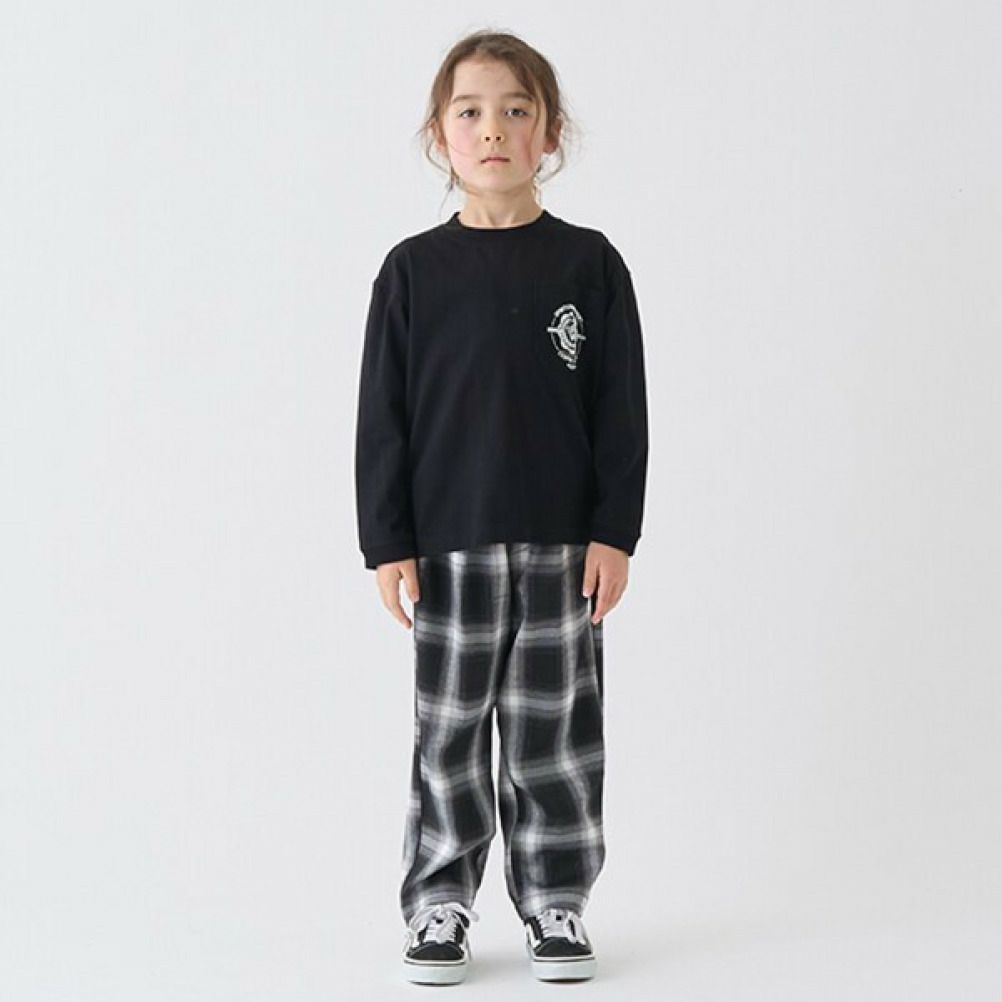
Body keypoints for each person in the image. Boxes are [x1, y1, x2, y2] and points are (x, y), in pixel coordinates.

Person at [353, 29, 649, 986]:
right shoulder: (412, 272)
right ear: (440, 135)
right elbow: (383, 417)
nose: (493, 130)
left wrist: (614, 532)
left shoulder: (589, 266)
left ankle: (556, 902)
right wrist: (388, 542)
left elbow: (622, 411)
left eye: (517, 111)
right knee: (448, 736)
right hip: (449, 548)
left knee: (551, 739)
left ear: (548, 133)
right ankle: (438, 903)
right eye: (471, 112)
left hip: (564, 551)